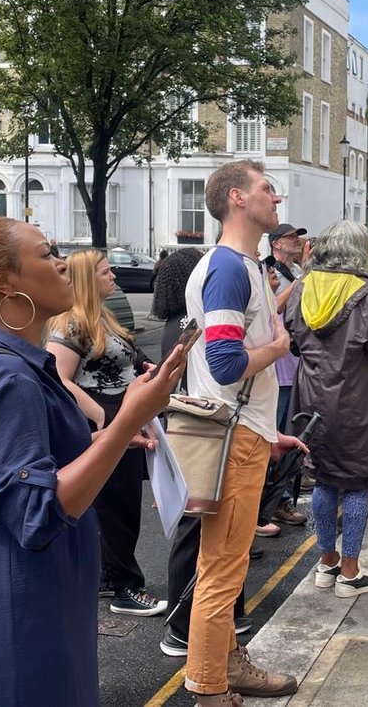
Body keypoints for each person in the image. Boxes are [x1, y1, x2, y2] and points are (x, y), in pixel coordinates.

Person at [0, 214, 184, 706]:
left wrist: (116, 432)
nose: (61, 264)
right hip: (17, 614)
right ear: (2, 281)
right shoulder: (5, 376)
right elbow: (38, 513)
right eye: (45, 254)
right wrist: (126, 423)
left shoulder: (7, 363)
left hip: (35, 599)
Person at [183, 159, 307, 707]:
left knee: (224, 566)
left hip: (240, 430)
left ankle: (226, 665)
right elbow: (227, 361)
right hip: (234, 438)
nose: (275, 199)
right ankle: (209, 688)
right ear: (236, 197)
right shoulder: (231, 268)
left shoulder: (239, 265)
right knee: (221, 568)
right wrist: (278, 349)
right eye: (266, 189)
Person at [283, 220, 368, 599]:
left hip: (312, 397)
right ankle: (351, 571)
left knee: (323, 478)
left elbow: (292, 339)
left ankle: (326, 561)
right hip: (356, 398)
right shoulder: (366, 293)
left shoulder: (302, 286)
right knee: (356, 482)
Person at [48, 249, 166, 617]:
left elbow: (123, 363)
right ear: (87, 279)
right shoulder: (71, 325)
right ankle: (126, 587)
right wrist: (101, 415)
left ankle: (109, 577)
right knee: (116, 507)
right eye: (105, 271)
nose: (114, 274)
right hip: (102, 418)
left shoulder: (102, 316)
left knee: (119, 504)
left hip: (120, 414)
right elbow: (59, 378)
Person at [154, 247, 254, 659]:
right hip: (198, 429)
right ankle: (181, 627)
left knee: (207, 528)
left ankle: (219, 615)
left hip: (198, 426)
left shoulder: (180, 320)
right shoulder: (186, 323)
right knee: (197, 528)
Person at [259, 224, 310, 533]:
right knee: (275, 434)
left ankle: (282, 494)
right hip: (279, 368)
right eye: (292, 238)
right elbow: (272, 308)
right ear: (277, 244)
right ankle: (272, 502)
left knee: (291, 430)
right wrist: (303, 281)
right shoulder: (270, 271)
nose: (298, 242)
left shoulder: (290, 272)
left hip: (294, 362)